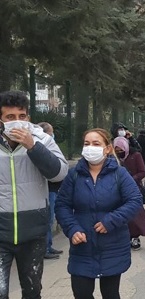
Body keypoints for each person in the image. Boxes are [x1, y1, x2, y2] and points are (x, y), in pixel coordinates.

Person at [55, 128, 141, 299]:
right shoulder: (74, 175)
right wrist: (72, 229)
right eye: (87, 144)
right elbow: (62, 205)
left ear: (107, 148)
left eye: (96, 144)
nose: (90, 148)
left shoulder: (119, 173)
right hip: (82, 247)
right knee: (81, 293)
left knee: (110, 294)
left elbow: (134, 200)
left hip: (112, 246)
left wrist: (112, 220)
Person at [0, 91, 68, 299]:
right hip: (1, 230)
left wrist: (33, 147)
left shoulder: (43, 139)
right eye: (10, 117)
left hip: (33, 230)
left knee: (32, 290)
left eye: (22, 116)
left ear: (28, 117)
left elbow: (59, 173)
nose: (17, 122)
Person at [113, 137, 145, 250]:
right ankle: (123, 238)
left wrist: (129, 180)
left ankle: (135, 237)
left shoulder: (135, 155)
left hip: (133, 189)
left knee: (135, 215)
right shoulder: (113, 158)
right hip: (117, 190)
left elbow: (142, 172)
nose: (119, 152)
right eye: (116, 150)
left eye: (121, 149)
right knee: (120, 215)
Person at [38, 122, 65, 259]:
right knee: (47, 219)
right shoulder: (41, 149)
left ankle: (49, 245)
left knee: (50, 219)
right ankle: (45, 248)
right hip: (47, 189)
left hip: (53, 188)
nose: (52, 135)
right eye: (51, 132)